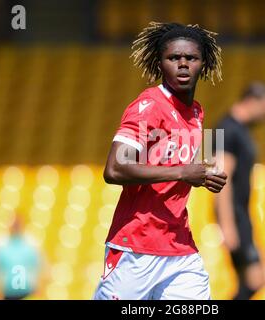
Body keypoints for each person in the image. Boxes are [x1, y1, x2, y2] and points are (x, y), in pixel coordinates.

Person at [94, 22, 227, 300]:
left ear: (203, 63)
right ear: (160, 63)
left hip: (179, 247)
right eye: (173, 58)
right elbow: (114, 169)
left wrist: (205, 175)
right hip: (136, 246)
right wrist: (181, 172)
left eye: (190, 58)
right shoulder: (149, 105)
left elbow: (181, 165)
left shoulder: (196, 113)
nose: (182, 65)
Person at [214, 82, 265, 300]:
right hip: (233, 215)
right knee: (255, 279)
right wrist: (227, 224)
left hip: (241, 213)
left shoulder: (239, 130)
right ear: (252, 101)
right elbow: (219, 178)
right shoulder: (225, 129)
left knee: (253, 280)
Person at [0, 216, 42, 300]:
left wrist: (39, 287)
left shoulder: (31, 244)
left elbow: (41, 268)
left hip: (28, 294)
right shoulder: (1, 245)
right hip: (6, 294)